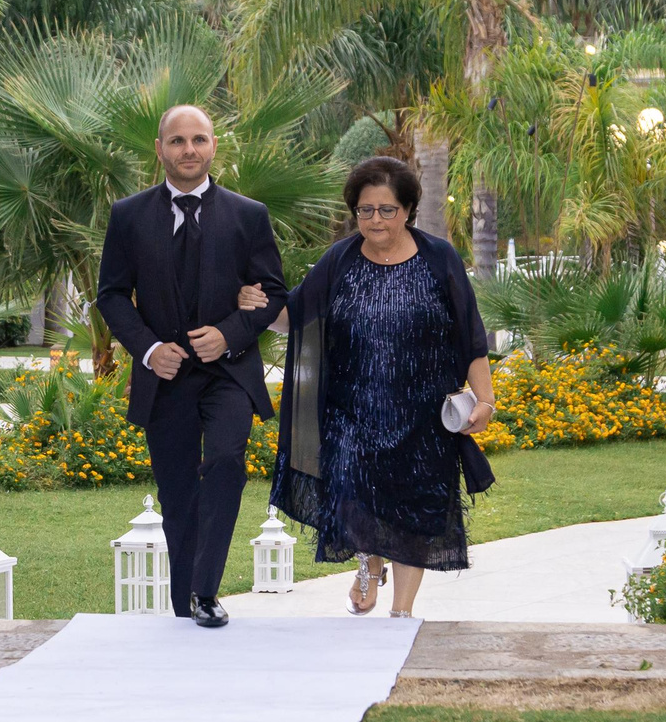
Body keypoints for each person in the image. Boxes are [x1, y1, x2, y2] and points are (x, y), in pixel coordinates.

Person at [256, 156, 495, 619]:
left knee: (414, 510)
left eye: (386, 210)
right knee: (351, 489)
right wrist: (260, 304)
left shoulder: (438, 258)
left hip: (423, 413)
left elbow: (471, 336)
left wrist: (485, 400)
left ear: (407, 210)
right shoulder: (339, 260)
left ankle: (401, 612)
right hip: (351, 409)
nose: (375, 220)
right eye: (365, 210)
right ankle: (369, 565)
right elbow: (296, 317)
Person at [96, 104, 288, 628]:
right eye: (177, 141)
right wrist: (150, 349)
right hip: (165, 378)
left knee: (226, 461)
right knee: (177, 489)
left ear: (213, 147)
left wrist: (229, 333)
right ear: (159, 149)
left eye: (198, 140)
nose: (189, 150)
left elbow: (273, 291)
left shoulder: (248, 215)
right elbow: (111, 296)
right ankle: (186, 606)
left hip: (229, 373)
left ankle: (205, 592)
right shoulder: (128, 216)